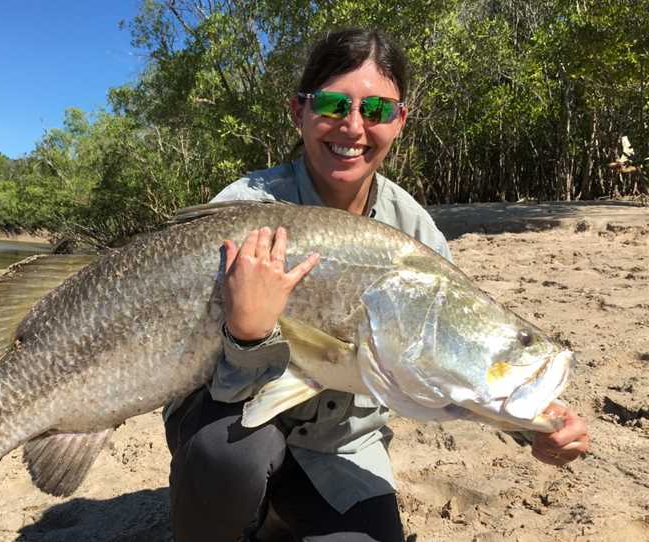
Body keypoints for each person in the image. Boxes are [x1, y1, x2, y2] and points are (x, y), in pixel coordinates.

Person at [163, 28, 590, 542]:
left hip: (338, 444)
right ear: (298, 111)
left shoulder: (414, 235)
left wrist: (532, 428)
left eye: (377, 111)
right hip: (227, 413)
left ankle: (275, 518)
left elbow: (439, 363)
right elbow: (220, 384)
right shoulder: (246, 209)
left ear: (400, 121)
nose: (353, 125)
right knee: (226, 455)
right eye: (333, 104)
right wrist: (247, 336)